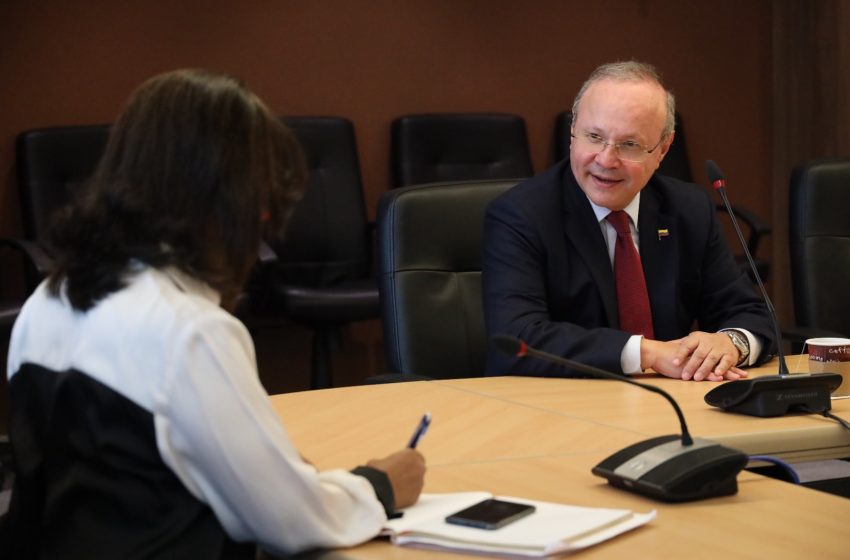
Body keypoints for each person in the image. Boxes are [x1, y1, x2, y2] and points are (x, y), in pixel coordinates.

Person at [3, 69, 425, 559]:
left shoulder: (49, 298)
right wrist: (378, 485)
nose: (263, 221)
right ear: (222, 197)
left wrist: (278, 474)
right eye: (260, 201)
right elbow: (288, 523)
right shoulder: (189, 331)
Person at [483, 61, 775, 381]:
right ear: (572, 134)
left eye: (629, 145)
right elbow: (517, 339)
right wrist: (648, 353)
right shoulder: (521, 215)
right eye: (594, 137)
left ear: (662, 149)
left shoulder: (688, 209)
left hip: (669, 404)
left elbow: (752, 314)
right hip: (560, 407)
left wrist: (730, 343)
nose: (606, 160)